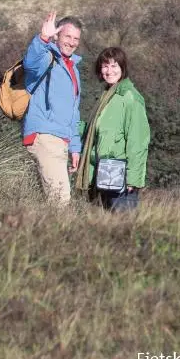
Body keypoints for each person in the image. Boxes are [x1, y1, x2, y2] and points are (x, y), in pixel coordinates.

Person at [76, 46, 150, 211]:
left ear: (123, 68)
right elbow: (94, 132)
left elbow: (138, 141)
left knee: (123, 229)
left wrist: (133, 179)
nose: (109, 71)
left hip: (121, 177)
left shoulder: (130, 98)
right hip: (104, 174)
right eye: (105, 66)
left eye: (114, 65)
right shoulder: (106, 96)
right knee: (106, 229)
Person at [22, 11, 82, 205]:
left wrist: (74, 147)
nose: (72, 42)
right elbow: (29, 63)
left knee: (51, 200)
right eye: (67, 36)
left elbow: (74, 111)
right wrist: (43, 38)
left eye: (76, 39)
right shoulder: (45, 58)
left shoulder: (73, 69)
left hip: (61, 140)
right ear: (57, 35)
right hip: (45, 136)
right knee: (61, 200)